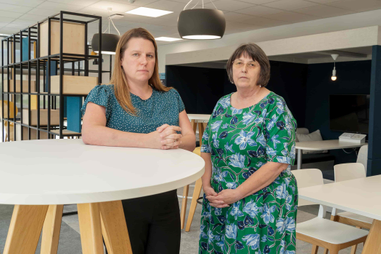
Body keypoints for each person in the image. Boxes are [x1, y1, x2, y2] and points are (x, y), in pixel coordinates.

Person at [81, 27, 195, 254]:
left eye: (149, 56)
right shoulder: (104, 93)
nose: (144, 61)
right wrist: (150, 141)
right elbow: (91, 132)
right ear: (121, 59)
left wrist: (171, 140)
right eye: (136, 54)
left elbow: (190, 139)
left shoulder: (170, 96)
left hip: (165, 196)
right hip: (122, 198)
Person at [198, 43, 297, 254]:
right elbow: (206, 147)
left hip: (262, 201)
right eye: (239, 63)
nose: (244, 69)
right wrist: (206, 185)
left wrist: (237, 194)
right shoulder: (222, 104)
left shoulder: (275, 106)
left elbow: (278, 162)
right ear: (231, 70)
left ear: (262, 71)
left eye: (251, 64)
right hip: (220, 196)